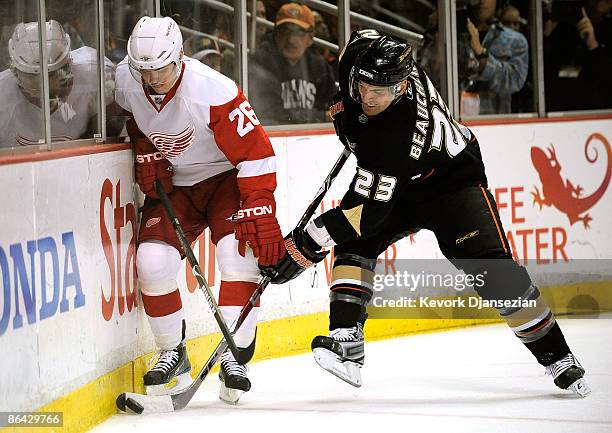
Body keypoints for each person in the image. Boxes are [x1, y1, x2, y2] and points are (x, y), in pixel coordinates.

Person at [269, 29, 591, 397]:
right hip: (396, 179)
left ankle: (558, 356)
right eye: (364, 88)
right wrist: (348, 105)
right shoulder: (359, 58)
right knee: (356, 243)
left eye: (380, 93)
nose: (369, 98)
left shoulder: (395, 138)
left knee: (491, 270)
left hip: (451, 181)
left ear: (403, 87)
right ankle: (347, 343)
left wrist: (303, 246)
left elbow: (365, 215)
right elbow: (363, 36)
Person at [114, 16, 285, 404]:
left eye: (161, 68)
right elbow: (133, 118)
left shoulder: (213, 90)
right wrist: (144, 144)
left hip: (225, 180)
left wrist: (259, 203)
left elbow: (256, 154)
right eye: (145, 70)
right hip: (176, 185)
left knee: (237, 257)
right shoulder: (126, 78)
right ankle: (172, 352)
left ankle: (234, 353)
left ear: (180, 56)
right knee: (152, 261)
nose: (153, 78)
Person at [0, 20, 115, 148]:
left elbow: (111, 127)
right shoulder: (3, 93)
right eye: (33, 75)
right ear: (15, 71)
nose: (43, 83)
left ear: (68, 64)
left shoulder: (94, 73)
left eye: (52, 74)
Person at [249, 2, 337, 125]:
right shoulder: (262, 62)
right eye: (285, 31)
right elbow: (268, 112)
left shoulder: (320, 67)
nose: (290, 39)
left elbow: (334, 107)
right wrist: (320, 116)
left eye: (298, 32)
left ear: (311, 37)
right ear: (276, 34)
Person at [543, 0, 612, 111]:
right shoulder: (564, 29)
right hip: (560, 108)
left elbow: (606, 79)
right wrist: (545, 35)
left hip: (599, 111)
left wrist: (593, 46)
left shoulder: (607, 30)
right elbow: (543, 72)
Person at [463, 0, 529, 114]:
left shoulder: (515, 40)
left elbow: (515, 81)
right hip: (453, 120)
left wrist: (481, 54)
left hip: (493, 122)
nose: (481, 1)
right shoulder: (452, 35)